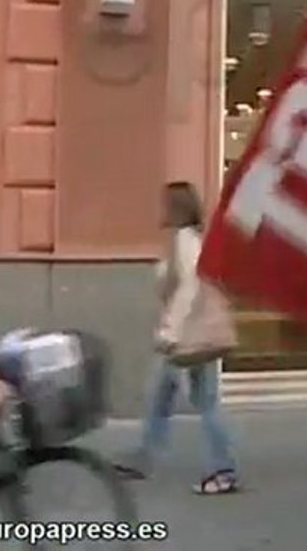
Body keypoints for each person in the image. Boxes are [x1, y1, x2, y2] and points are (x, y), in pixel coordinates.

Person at [115, 182, 239, 495]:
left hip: (189, 337)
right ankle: (144, 456)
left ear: (175, 207)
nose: (161, 209)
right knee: (160, 397)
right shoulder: (186, 239)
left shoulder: (185, 240)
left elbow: (189, 288)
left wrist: (170, 331)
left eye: (165, 203)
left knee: (204, 403)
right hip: (189, 336)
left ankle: (222, 470)